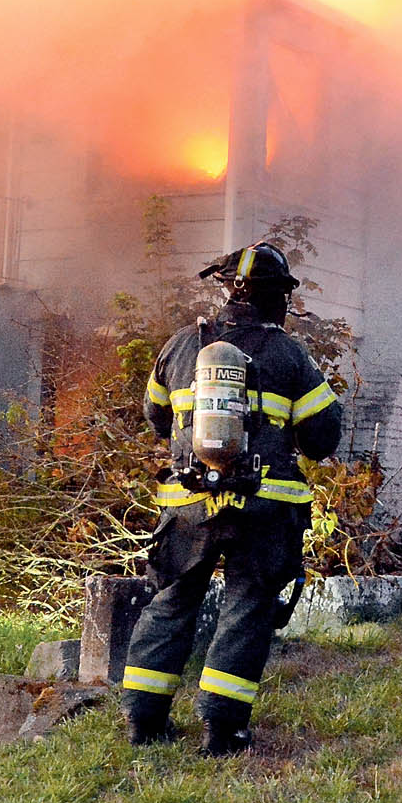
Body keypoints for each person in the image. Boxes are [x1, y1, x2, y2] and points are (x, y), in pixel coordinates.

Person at [120, 242, 343, 755]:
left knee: (171, 601)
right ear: (274, 299)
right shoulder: (289, 355)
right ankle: (224, 730)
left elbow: (156, 418)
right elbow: (322, 435)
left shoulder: (180, 347)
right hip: (262, 508)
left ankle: (144, 721)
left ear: (227, 291)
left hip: (188, 505)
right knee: (247, 607)